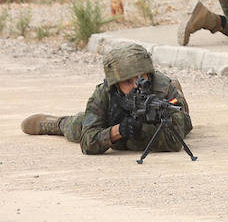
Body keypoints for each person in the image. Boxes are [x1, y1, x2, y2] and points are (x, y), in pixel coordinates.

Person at [20, 43, 192, 155]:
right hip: (113, 123)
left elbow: (175, 141)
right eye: (127, 81)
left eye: (142, 78)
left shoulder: (162, 89)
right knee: (78, 125)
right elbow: (88, 142)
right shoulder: (104, 94)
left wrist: (142, 131)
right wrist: (116, 131)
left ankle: (179, 92)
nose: (136, 86)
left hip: (160, 118)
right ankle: (57, 124)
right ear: (115, 84)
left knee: (183, 118)